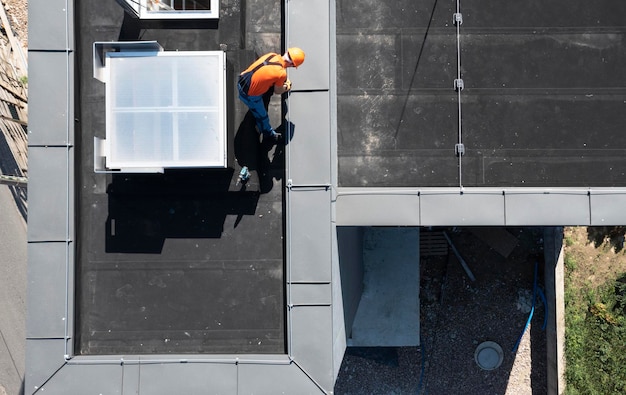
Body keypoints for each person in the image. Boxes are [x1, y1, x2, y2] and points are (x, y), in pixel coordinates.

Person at [238, 47, 305, 142]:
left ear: (286, 52)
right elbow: (278, 91)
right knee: (262, 116)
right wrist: (286, 86)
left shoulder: (272, 55)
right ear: (292, 64)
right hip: (249, 95)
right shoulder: (281, 74)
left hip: (242, 80)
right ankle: (268, 134)